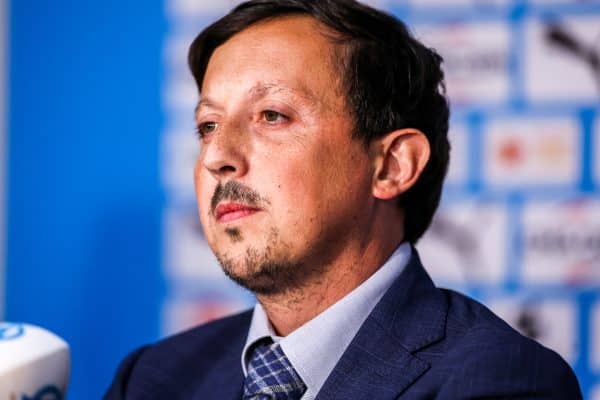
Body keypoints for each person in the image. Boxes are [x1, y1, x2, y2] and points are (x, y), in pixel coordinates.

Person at [105, 0, 582, 398]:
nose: (216, 156)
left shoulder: (500, 381)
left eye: (272, 115)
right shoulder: (153, 378)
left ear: (391, 165)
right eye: (208, 126)